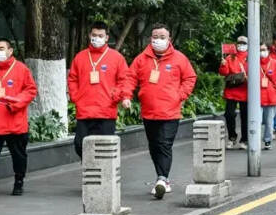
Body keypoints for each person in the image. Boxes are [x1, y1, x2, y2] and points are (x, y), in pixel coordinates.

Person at [121, 24, 197, 199]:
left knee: (164, 144)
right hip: (149, 111)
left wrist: (180, 95)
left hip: (170, 112)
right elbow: (130, 77)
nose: (158, 40)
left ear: (169, 39)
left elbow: (190, 77)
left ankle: (162, 179)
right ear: (150, 39)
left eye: (162, 37)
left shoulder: (179, 59)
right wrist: (126, 96)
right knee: (154, 146)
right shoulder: (141, 59)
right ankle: (162, 179)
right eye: (155, 36)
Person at [0, 38, 38, 195]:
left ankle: (19, 180)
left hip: (15, 122)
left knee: (18, 156)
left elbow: (31, 90)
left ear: (10, 51)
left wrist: (16, 103)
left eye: (2, 48)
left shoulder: (21, 69)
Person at [67, 21, 130, 159]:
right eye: (94, 35)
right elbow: (72, 79)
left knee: (104, 149)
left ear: (107, 37)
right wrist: (75, 96)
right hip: (85, 110)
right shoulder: (80, 57)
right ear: (90, 35)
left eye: (100, 35)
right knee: (79, 144)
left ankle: (103, 178)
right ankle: (90, 171)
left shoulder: (116, 57)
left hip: (106, 110)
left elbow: (124, 79)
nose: (97, 38)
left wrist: (120, 96)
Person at [219, 36, 249, 149]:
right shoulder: (230, 57)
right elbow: (224, 73)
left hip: (245, 90)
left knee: (245, 116)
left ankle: (244, 139)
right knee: (229, 114)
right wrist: (223, 65)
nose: (241, 45)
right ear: (236, 44)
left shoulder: (251, 57)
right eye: (239, 43)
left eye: (244, 43)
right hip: (232, 89)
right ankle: (232, 137)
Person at [258, 44, 276, 150]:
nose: (262, 52)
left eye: (264, 49)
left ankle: (267, 140)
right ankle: (255, 141)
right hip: (257, 98)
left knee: (269, 121)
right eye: (260, 50)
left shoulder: (274, 63)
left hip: (271, 97)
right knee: (256, 121)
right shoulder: (253, 63)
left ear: (268, 50)